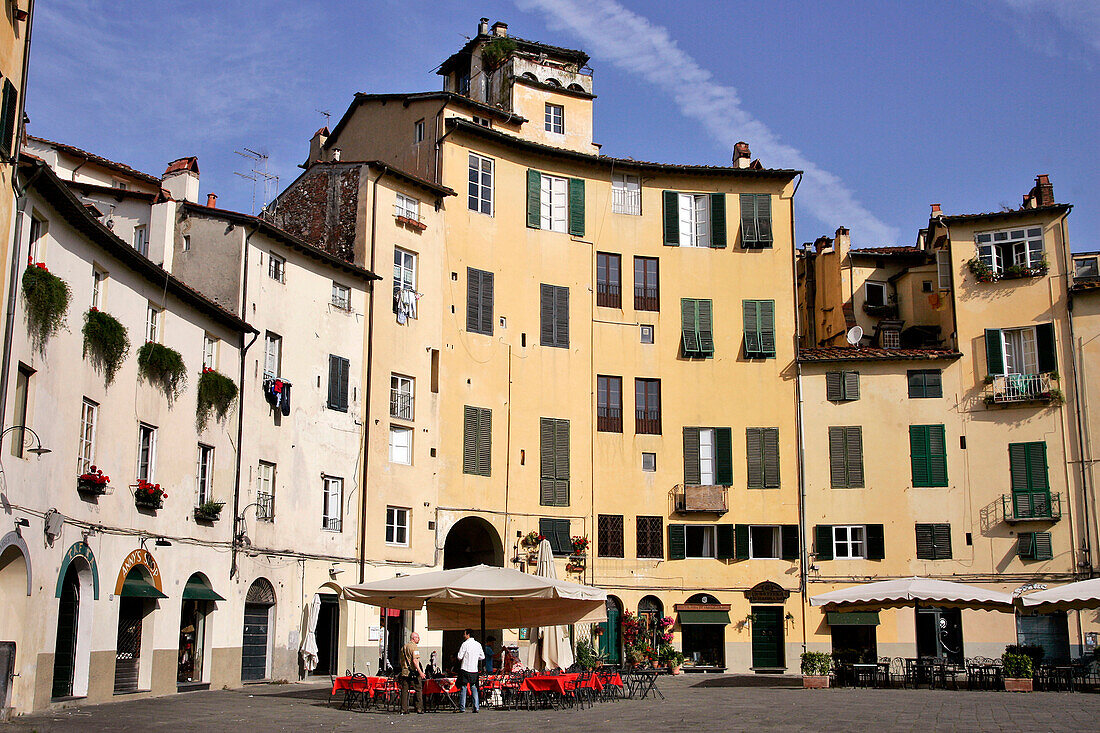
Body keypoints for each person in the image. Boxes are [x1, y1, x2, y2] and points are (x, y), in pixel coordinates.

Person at [456, 628, 485, 713]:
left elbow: (459, 657)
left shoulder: (465, 644)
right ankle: (476, 706)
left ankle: (462, 707)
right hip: (474, 669)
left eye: (464, 634)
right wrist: (475, 658)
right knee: (474, 687)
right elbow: (482, 657)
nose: (463, 635)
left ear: (468, 634)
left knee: (463, 687)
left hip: (465, 668)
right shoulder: (478, 644)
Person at [398, 632, 425, 714]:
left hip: (405, 671)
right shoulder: (414, 647)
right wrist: (420, 672)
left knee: (404, 690)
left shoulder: (404, 647)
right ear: (413, 638)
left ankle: (404, 708)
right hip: (413, 672)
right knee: (418, 689)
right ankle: (419, 708)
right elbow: (415, 661)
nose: (419, 639)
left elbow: (401, 661)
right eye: (418, 637)